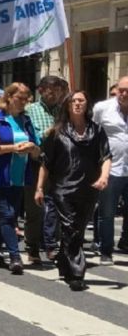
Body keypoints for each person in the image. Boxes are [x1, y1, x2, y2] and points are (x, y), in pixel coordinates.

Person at [37, 91, 111, 291]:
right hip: (63, 188)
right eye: (73, 101)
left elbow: (105, 156)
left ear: (87, 105)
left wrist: (104, 177)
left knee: (77, 228)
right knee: (71, 228)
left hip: (88, 188)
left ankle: (63, 261)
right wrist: (39, 188)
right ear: (67, 105)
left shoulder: (97, 131)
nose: (77, 104)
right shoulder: (57, 132)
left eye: (81, 100)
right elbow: (46, 163)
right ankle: (77, 274)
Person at [0, 82, 40, 274]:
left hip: (19, 177)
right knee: (7, 215)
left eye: (26, 98)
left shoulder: (26, 121)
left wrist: (32, 148)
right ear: (9, 97)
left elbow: (37, 151)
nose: (23, 102)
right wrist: (12, 148)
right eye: (19, 98)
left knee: (4, 216)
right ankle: (15, 256)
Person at [24, 76, 67, 264]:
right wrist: (53, 129)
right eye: (50, 90)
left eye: (58, 90)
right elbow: (33, 136)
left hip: (59, 165)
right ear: (41, 91)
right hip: (37, 163)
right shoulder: (30, 111)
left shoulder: (63, 111)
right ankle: (32, 246)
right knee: (35, 209)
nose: (54, 94)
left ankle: (51, 245)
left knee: (57, 207)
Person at [92, 75, 128, 265]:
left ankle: (125, 242)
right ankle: (105, 249)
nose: (122, 94)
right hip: (110, 168)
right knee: (107, 212)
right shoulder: (102, 108)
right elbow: (93, 135)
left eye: (126, 91)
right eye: (121, 90)